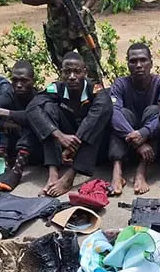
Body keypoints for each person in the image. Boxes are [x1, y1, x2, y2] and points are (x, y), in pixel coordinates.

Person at [26, 52, 112, 197]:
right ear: (61, 73)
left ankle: (69, 177)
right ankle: (53, 174)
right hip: (64, 140)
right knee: (47, 108)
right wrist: (58, 135)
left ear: (85, 72)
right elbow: (32, 108)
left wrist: (72, 145)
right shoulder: (57, 88)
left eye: (77, 72)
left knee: (98, 118)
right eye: (67, 72)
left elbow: (102, 110)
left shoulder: (95, 89)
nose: (72, 77)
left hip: (92, 146)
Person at [21, 0, 101, 82]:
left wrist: (85, 8)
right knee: (67, 77)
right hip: (59, 28)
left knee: (93, 71)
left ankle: (97, 101)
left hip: (82, 24)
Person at [0, 60, 41, 191]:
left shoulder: (39, 97)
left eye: (24, 80)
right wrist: (4, 124)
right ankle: (4, 167)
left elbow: (34, 116)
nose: (19, 85)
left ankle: (17, 171)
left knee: (31, 127)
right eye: (15, 80)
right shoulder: (10, 95)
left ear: (33, 80)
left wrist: (8, 113)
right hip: (12, 146)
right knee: (0, 126)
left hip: (33, 151)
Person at [109, 43, 160, 196]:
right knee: (122, 114)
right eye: (133, 61)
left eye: (143, 60)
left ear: (151, 63)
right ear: (127, 64)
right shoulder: (120, 83)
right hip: (129, 140)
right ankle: (117, 171)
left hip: (151, 140)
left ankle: (141, 171)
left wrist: (144, 132)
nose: (139, 65)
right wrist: (137, 141)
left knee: (155, 111)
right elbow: (113, 113)